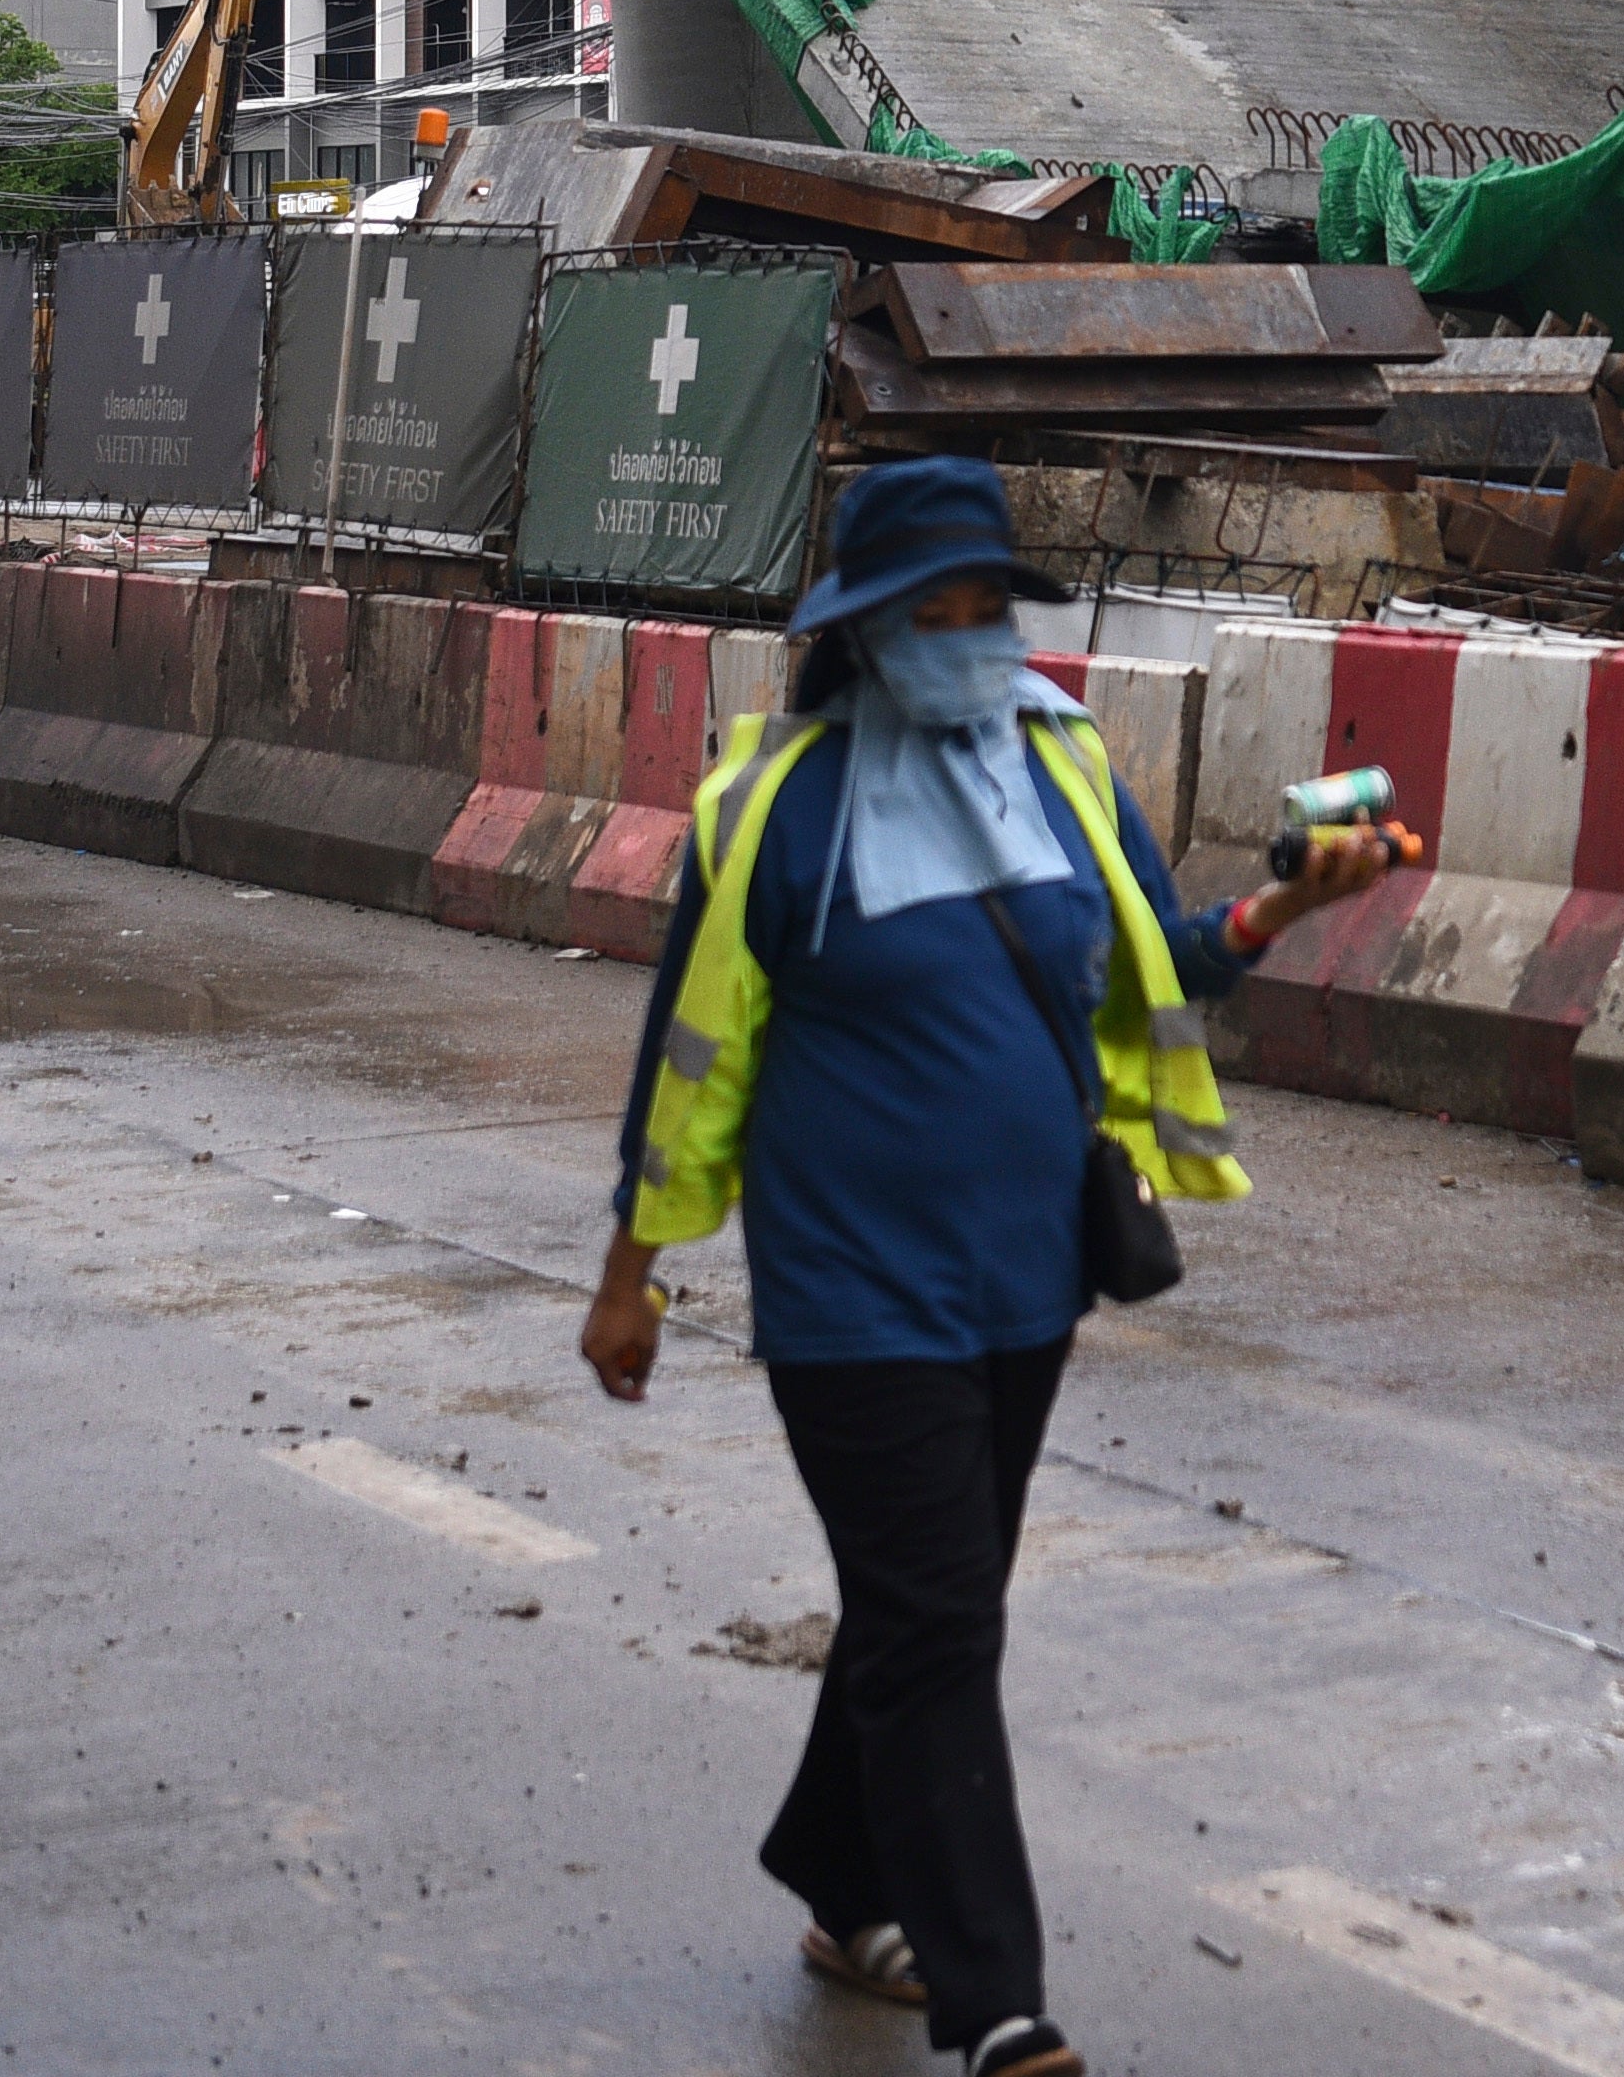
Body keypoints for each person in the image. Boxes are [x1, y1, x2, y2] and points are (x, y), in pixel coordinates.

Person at [582, 457, 1388, 2077]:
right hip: (847, 1298)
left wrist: (1288, 907)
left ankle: (840, 1875)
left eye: (982, 611)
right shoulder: (776, 808)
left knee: (920, 1604)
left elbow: (1156, 960)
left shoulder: (1061, 760)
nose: (963, 639)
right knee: (943, 1617)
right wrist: (634, 1273)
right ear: (861, 631)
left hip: (1028, 1281)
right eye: (927, 616)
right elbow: (696, 1060)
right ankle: (1000, 2004)